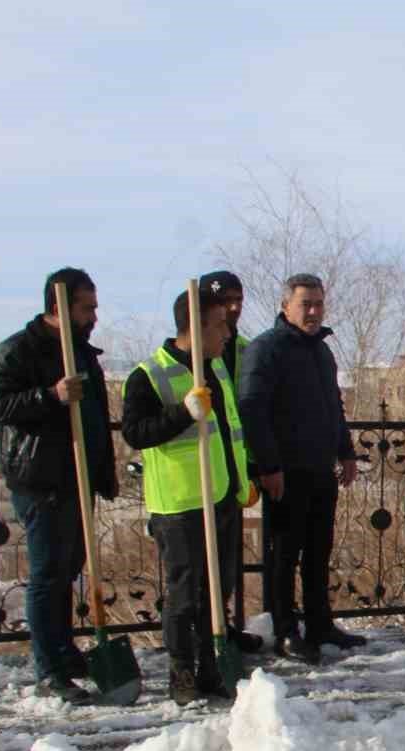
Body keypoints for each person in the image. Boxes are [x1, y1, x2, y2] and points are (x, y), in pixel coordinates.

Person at [0, 268, 120, 704]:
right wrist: (51, 395)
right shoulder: (19, 350)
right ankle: (48, 667)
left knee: (69, 567)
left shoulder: (81, 351)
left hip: (78, 478)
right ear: (59, 307)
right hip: (42, 478)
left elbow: (95, 414)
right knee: (47, 574)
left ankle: (64, 649)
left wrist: (103, 472)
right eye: (87, 307)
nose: (95, 315)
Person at [121, 292, 250, 705]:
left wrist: (241, 483)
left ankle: (212, 666)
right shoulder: (149, 375)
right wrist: (182, 413)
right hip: (179, 504)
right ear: (197, 329)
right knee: (186, 593)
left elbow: (230, 432)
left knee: (220, 588)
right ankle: (181, 670)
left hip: (221, 495)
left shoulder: (216, 370)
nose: (228, 334)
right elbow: (136, 433)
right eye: (220, 326)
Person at [237, 272, 366, 665]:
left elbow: (334, 409)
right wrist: (268, 466)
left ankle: (320, 623)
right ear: (285, 306)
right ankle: (285, 630)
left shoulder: (321, 352)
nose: (313, 311)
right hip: (285, 473)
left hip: (319, 469)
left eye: (318, 304)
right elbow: (253, 410)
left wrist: (345, 453)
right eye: (305, 304)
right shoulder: (266, 349)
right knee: (283, 555)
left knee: (318, 552)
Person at [196, 270, 262, 655]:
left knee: (227, 561)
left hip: (236, 470)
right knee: (198, 568)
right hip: (196, 475)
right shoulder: (192, 354)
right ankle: (203, 637)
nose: (233, 308)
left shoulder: (244, 349)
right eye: (225, 301)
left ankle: (225, 628)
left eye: (238, 299)